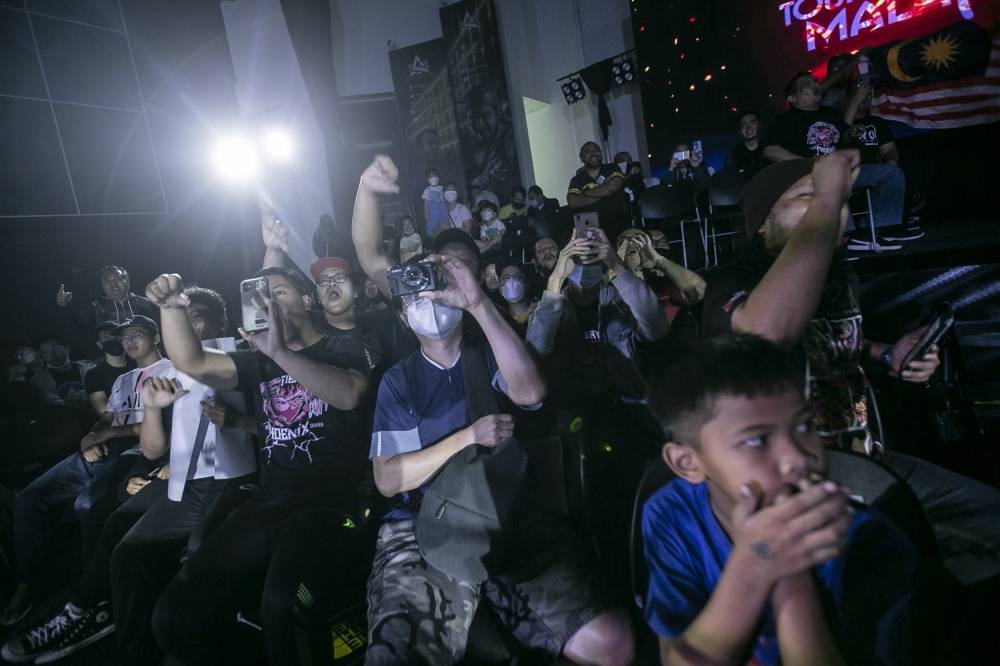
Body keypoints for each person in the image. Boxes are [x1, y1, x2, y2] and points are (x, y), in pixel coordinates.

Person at [353, 154, 633, 665]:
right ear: (400, 308)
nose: (429, 299)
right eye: (418, 289)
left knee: (609, 641)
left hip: (507, 513)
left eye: (444, 284)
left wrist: (477, 304)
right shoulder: (399, 380)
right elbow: (390, 480)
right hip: (421, 528)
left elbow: (530, 393)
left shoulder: (490, 345)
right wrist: (466, 437)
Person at [700, 152, 1000, 584]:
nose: (831, 206)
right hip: (793, 480)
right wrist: (828, 196)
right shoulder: (731, 281)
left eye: (837, 201)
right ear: (763, 222)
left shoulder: (837, 276)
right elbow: (766, 332)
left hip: (868, 458)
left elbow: (838, 344)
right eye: (807, 196)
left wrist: (886, 354)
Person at [2, 288, 258, 665]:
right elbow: (154, 449)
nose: (191, 326)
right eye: (185, 319)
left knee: (172, 555)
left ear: (222, 322)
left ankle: (96, 617)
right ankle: (87, 615)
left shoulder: (244, 359)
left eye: (199, 317)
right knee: (120, 540)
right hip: (187, 481)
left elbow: (280, 427)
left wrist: (237, 420)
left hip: (233, 482)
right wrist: (153, 411)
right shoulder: (173, 372)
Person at [146, 267, 376, 666]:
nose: (267, 304)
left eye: (280, 293)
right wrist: (170, 308)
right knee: (173, 618)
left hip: (333, 503)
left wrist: (281, 353)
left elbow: (349, 395)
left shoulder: (347, 346)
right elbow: (193, 360)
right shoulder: (257, 362)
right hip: (271, 501)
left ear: (307, 300)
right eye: (259, 297)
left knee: (285, 608)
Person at [643, 333, 919, 665]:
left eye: (804, 426)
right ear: (688, 463)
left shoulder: (870, 540)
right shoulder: (671, 513)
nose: (797, 458)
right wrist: (755, 566)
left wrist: (789, 575)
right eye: (757, 440)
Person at [1, 316, 172, 627]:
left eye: (138, 334)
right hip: (104, 450)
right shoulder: (122, 380)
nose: (130, 341)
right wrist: (91, 437)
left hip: (137, 451)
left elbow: (165, 426)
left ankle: (92, 595)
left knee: (88, 505)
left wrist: (108, 436)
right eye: (125, 337)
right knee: (29, 497)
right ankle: (28, 582)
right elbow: (108, 418)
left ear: (156, 337)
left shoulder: (171, 370)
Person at [761, 72, 907, 251]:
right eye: (806, 84)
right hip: (807, 176)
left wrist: (850, 133)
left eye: (815, 81)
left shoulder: (830, 114)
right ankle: (847, 238)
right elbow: (770, 151)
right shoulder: (783, 121)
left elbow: (842, 135)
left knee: (892, 174)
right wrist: (807, 162)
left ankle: (882, 230)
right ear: (793, 97)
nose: (815, 83)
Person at [615, 228, 705, 325]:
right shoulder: (619, 285)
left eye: (660, 242)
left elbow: (697, 291)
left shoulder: (672, 280)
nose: (635, 244)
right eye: (627, 243)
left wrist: (657, 260)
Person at [55, 265, 157, 331]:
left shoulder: (147, 303)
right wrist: (62, 306)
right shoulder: (96, 307)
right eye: (107, 281)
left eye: (118, 279)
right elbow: (73, 323)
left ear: (128, 281)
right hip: (114, 360)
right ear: (102, 286)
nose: (113, 284)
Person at [567, 141, 630, 242]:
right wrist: (604, 190)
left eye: (596, 149)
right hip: (590, 230)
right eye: (588, 151)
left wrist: (585, 193)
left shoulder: (612, 168)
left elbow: (612, 187)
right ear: (582, 158)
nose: (593, 152)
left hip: (618, 224)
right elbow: (573, 202)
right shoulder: (577, 179)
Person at [83, 322, 132, 416]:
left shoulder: (139, 364)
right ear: (99, 344)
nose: (112, 339)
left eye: (115, 336)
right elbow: (104, 412)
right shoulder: (94, 375)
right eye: (106, 337)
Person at [726, 110, 769, 180]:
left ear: (759, 125)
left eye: (752, 122)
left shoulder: (770, 148)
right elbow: (730, 180)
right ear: (739, 131)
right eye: (744, 125)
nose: (748, 127)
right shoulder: (733, 154)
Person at [422, 169, 448, 235]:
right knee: (434, 228)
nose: (434, 178)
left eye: (435, 176)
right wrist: (426, 215)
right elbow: (425, 204)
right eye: (431, 177)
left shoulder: (443, 188)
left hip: (443, 211)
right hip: (433, 213)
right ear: (427, 180)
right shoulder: (427, 190)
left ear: (438, 177)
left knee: (444, 227)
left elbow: (446, 200)